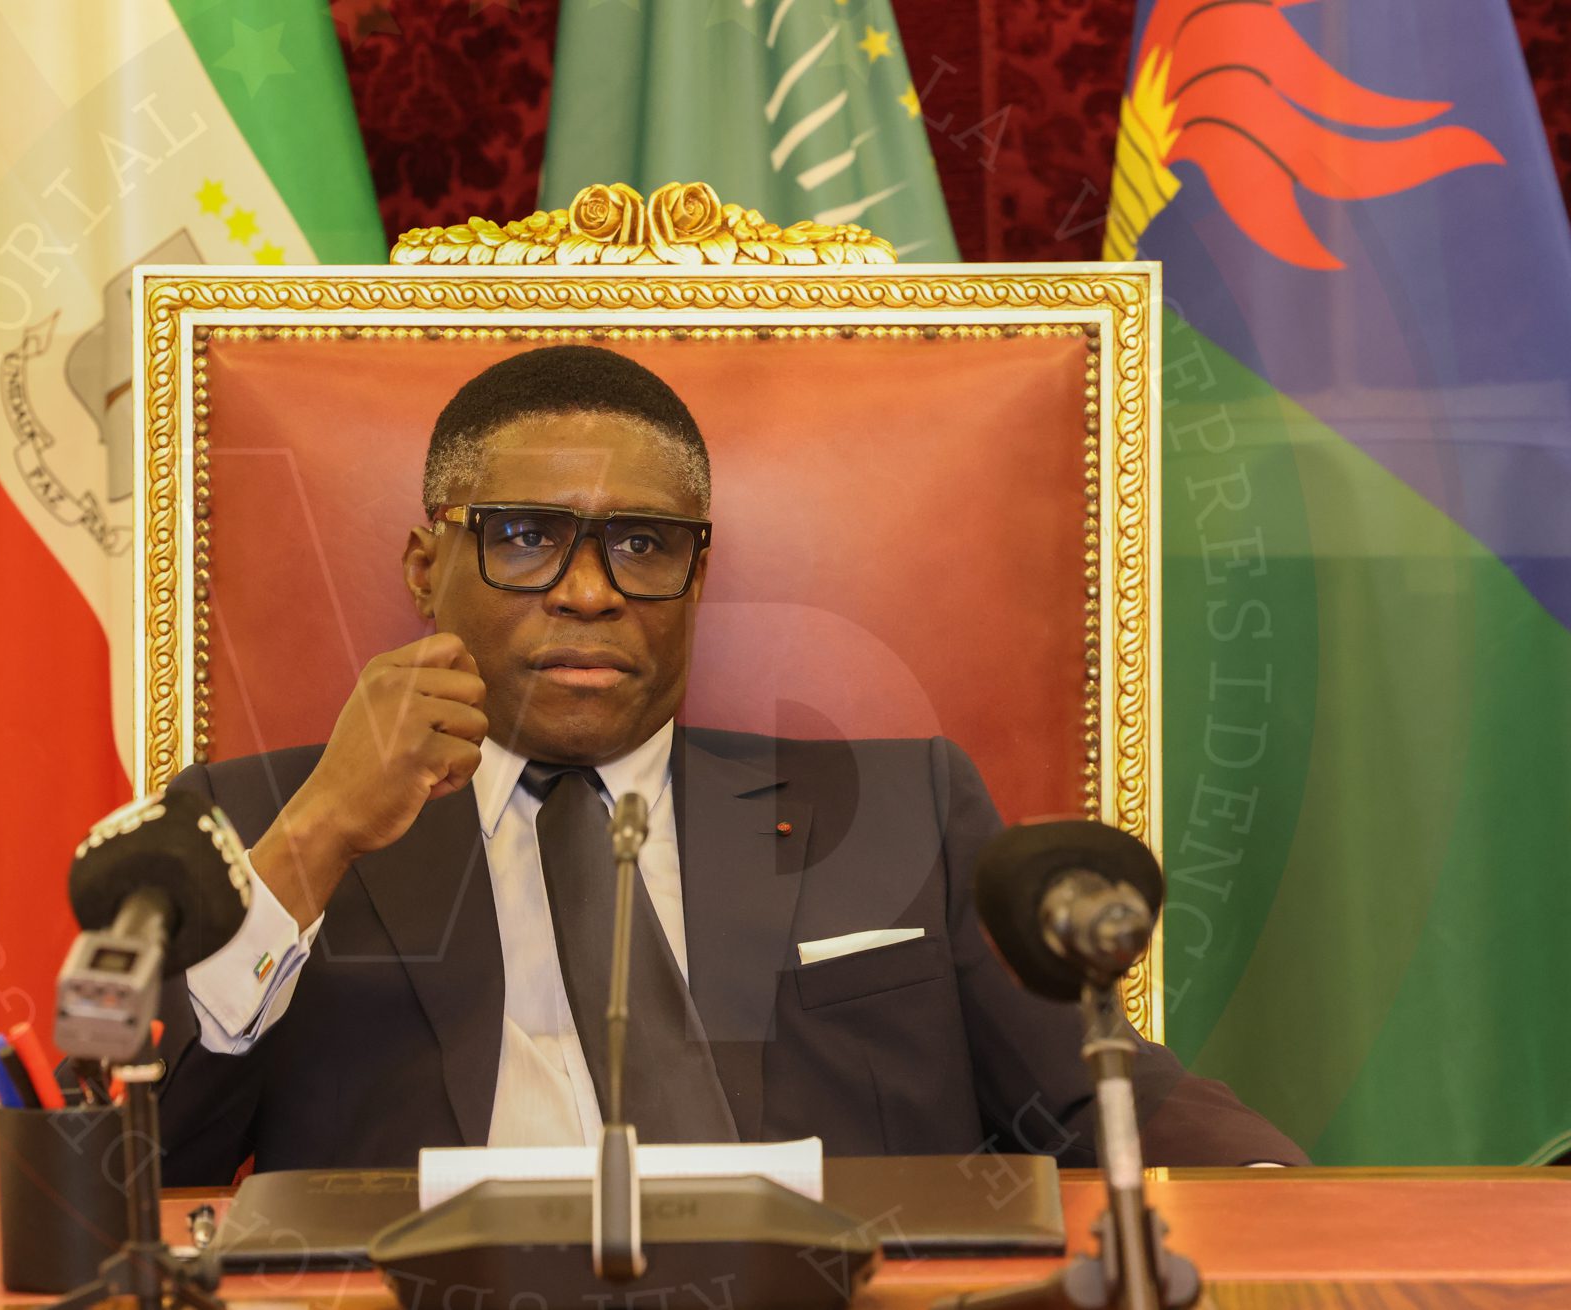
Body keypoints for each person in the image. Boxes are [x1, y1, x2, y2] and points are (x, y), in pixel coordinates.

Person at [151, 344, 1305, 1184]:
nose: (589, 590)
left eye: (641, 544)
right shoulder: (252, 824)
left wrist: (1277, 1207)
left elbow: (1090, 1092)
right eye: (525, 537)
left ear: (695, 576)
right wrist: (320, 833)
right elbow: (145, 1173)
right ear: (423, 565)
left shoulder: (898, 809)